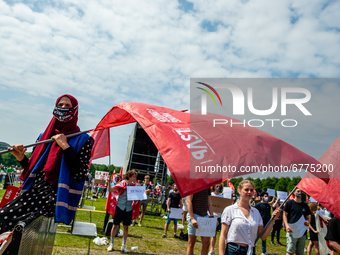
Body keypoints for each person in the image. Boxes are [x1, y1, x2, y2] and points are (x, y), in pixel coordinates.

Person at [0, 94, 92, 234]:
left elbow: (79, 174)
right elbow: (33, 170)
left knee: (4, 219)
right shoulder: (44, 136)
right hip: (33, 192)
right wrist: (21, 157)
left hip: (53, 197)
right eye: (60, 105)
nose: (63, 108)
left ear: (75, 110)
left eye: (68, 106)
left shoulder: (83, 139)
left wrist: (65, 147)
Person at [219, 180, 281, 255]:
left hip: (250, 251)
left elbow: (263, 236)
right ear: (239, 191)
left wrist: (273, 220)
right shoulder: (230, 210)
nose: (249, 192)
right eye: (246, 190)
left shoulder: (256, 212)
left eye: (251, 190)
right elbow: (223, 234)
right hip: (233, 251)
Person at [107, 170, 140, 253]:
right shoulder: (122, 184)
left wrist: (140, 195)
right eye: (133, 176)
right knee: (115, 226)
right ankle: (111, 244)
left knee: (126, 227)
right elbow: (110, 190)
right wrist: (108, 182)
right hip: (120, 207)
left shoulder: (135, 186)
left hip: (128, 209)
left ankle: (123, 245)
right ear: (129, 177)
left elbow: (136, 199)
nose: (134, 178)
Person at [283, 188, 311, 255]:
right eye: (298, 191)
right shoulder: (289, 203)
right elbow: (285, 215)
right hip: (292, 231)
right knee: (290, 252)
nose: (300, 193)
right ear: (294, 193)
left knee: (300, 252)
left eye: (301, 191)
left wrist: (308, 221)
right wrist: (286, 226)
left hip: (302, 232)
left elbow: (308, 215)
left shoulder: (305, 205)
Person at [186, 187, 214, 255]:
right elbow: (188, 201)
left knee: (206, 243)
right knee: (191, 243)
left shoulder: (207, 186)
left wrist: (212, 216)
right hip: (194, 215)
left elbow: (209, 203)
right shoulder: (193, 184)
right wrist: (192, 218)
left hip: (205, 215)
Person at [208, 183, 224, 255]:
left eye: (219, 187)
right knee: (207, 233)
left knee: (214, 234)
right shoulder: (210, 195)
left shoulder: (222, 197)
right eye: (217, 186)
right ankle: (206, 248)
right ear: (214, 187)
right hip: (209, 216)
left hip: (218, 217)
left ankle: (211, 249)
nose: (218, 188)